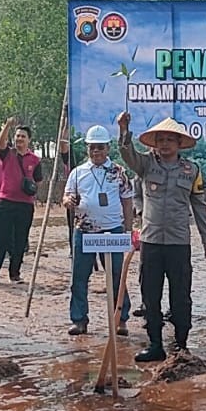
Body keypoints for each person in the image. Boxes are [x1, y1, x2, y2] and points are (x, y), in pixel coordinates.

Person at [120, 114, 206, 362]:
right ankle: (155, 345)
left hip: (178, 242)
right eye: (160, 140)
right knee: (150, 295)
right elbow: (128, 156)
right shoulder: (147, 165)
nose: (164, 144)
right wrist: (124, 130)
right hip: (151, 242)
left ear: (179, 143)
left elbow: (199, 205)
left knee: (181, 295)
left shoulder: (191, 170)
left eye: (169, 140)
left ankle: (181, 345)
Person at [63, 125, 135, 337]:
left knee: (115, 276)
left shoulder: (119, 172)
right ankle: (79, 320)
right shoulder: (78, 173)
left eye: (100, 147)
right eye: (92, 147)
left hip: (112, 230)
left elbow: (127, 202)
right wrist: (69, 202)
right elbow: (66, 197)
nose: (96, 152)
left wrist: (128, 230)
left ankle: (121, 318)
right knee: (79, 276)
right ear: (87, 148)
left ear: (108, 148)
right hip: (84, 231)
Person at [0, 117, 44, 283]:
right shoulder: (8, 154)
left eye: (23, 136)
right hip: (7, 202)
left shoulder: (35, 160)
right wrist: (7, 125)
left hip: (25, 205)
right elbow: (0, 143)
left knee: (21, 240)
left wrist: (31, 190)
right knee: (2, 238)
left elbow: (39, 180)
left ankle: (15, 273)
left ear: (29, 140)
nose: (19, 139)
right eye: (17, 136)